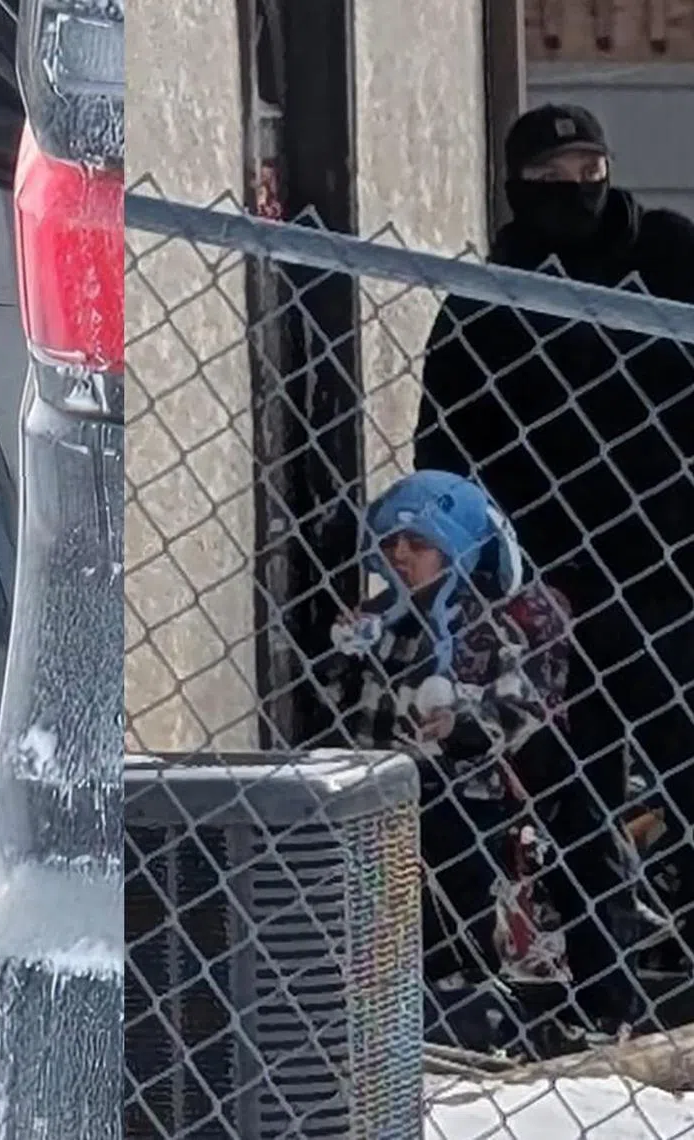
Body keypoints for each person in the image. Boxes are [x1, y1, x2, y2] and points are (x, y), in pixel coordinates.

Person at [414, 102, 694, 1026]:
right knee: (579, 803)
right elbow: (446, 449)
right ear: (516, 186)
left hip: (672, 576)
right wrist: (476, 579)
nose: (576, 190)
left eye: (589, 171)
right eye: (552, 177)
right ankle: (609, 1002)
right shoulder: (488, 298)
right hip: (552, 595)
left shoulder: (670, 256)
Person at [318, 471, 573, 1035]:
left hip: (461, 792)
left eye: (419, 544)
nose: (401, 555)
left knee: (460, 898)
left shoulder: (487, 624)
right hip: (379, 786)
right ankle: (394, 999)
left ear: (456, 548)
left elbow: (523, 705)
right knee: (380, 899)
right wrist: (344, 655)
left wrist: (464, 724)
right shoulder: (382, 618)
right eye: (391, 543)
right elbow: (343, 703)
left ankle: (470, 1000)